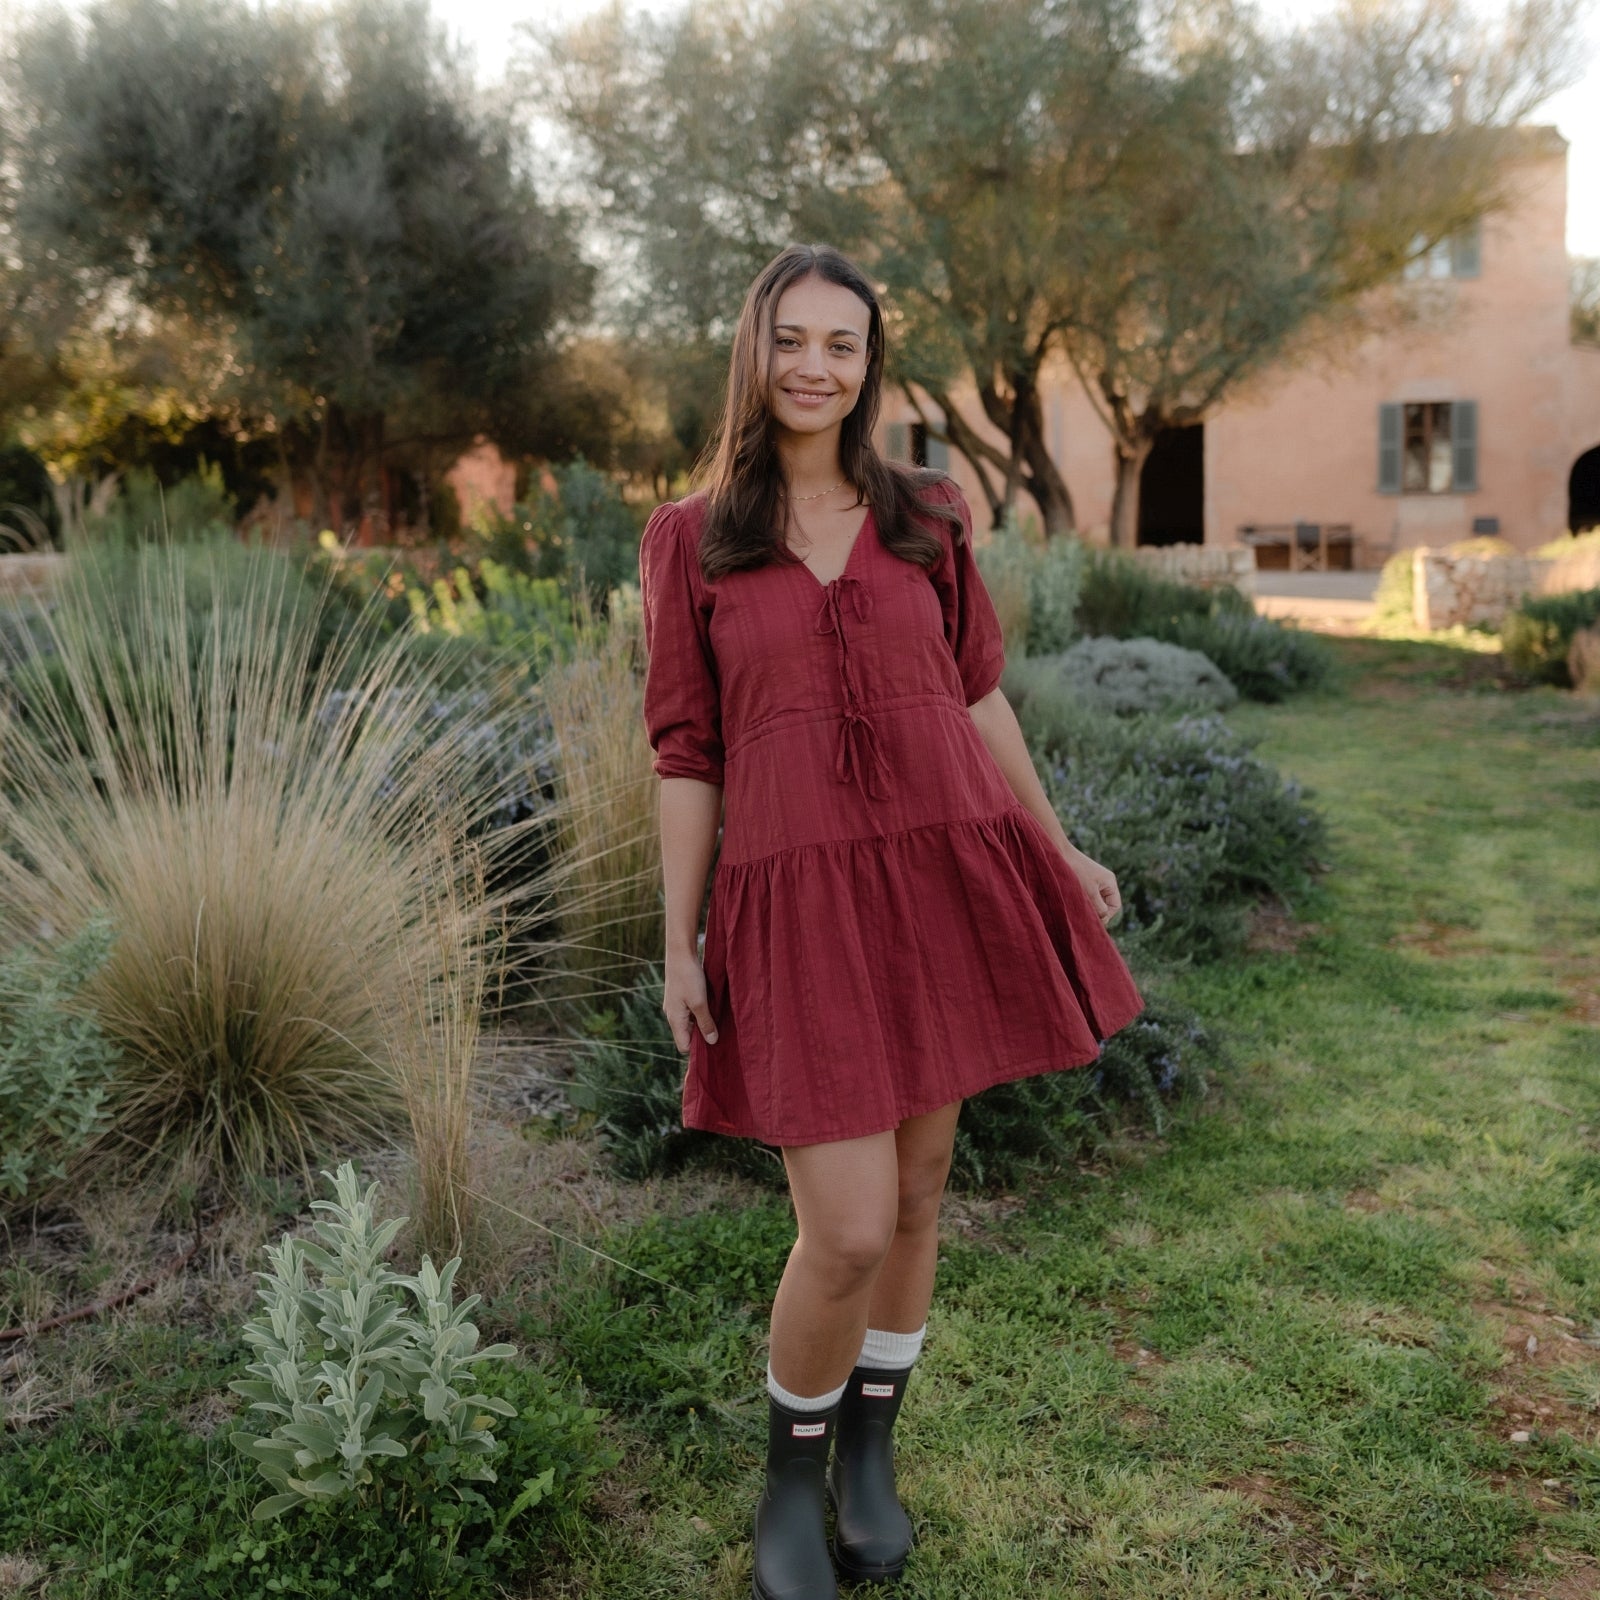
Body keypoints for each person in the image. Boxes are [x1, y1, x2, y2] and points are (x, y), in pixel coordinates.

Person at [637, 243, 1144, 1600]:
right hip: (797, 903)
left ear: (871, 365)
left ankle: (870, 1454)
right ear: (754, 349)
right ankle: (787, 1481)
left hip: (939, 879)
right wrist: (680, 938)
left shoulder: (929, 512)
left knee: (919, 1197)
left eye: (843, 344)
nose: (815, 366)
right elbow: (686, 751)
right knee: (849, 1227)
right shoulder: (691, 536)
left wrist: (1057, 844)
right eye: (791, 339)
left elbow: (976, 695)